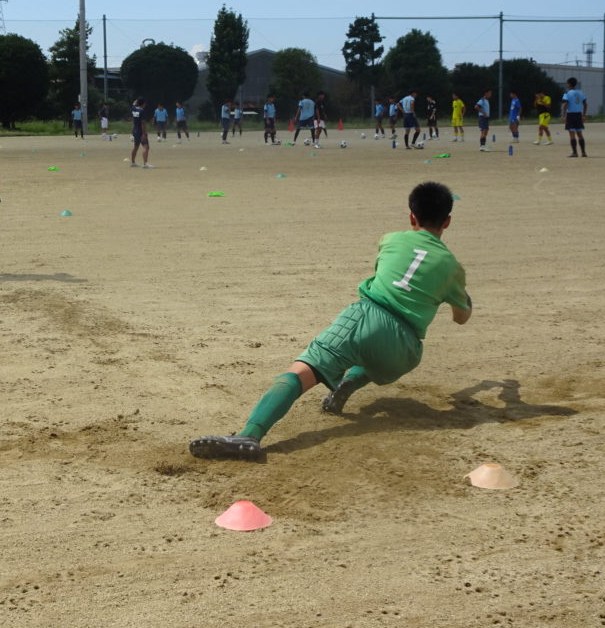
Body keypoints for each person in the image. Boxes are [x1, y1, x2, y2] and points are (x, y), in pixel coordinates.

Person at [189, 181, 472, 460]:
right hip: (405, 348)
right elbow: (461, 317)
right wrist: (458, 294)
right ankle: (348, 383)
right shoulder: (452, 268)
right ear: (447, 221)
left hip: (365, 319)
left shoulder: (391, 240)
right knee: (372, 358)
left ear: (411, 216)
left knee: (303, 371)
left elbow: (388, 275)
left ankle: (250, 434)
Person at [561, 77, 588, 158]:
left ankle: (575, 153)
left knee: (572, 134)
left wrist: (563, 115)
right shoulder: (581, 92)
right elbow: (585, 104)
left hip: (570, 115)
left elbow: (565, 104)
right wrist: (584, 115)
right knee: (580, 134)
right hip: (578, 114)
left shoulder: (567, 93)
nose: (567, 85)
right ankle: (583, 152)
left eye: (567, 84)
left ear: (569, 84)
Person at [130, 97, 152, 168]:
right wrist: (144, 133)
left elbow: (133, 103)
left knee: (136, 147)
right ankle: (145, 163)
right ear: (143, 104)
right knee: (146, 147)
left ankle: (133, 162)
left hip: (135, 130)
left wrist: (137, 100)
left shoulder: (133, 109)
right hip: (140, 131)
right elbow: (143, 123)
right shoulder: (142, 111)